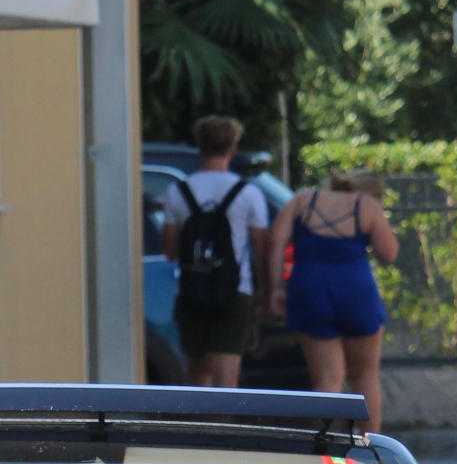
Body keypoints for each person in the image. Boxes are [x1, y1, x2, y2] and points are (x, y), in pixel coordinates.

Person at [270, 169, 397, 430]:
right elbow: (388, 253)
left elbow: (275, 241)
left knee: (327, 381)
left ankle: (322, 457)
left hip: (310, 290)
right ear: (372, 191)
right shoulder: (368, 206)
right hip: (356, 290)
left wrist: (274, 289)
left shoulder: (303, 200)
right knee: (364, 377)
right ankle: (370, 450)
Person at [161, 115, 271, 387]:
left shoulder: (178, 191)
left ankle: (197, 428)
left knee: (197, 374)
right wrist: (267, 289)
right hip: (235, 290)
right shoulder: (248, 193)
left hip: (191, 290)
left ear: (199, 149)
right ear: (232, 151)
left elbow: (171, 250)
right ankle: (224, 428)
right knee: (227, 377)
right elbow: (260, 247)